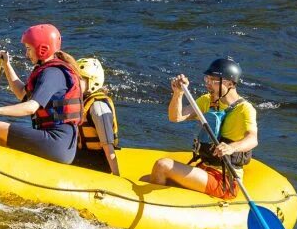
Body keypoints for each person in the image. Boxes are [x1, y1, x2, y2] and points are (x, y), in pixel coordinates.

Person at [147, 58, 258, 199]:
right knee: (149, 179)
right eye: (207, 79)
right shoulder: (207, 100)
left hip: (224, 179)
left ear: (230, 83)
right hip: (203, 167)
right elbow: (176, 117)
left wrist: (232, 147)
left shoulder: (244, 109)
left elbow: (252, 139)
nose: (208, 84)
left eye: (213, 81)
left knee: (162, 165)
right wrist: (178, 94)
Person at [0, 24, 83, 165]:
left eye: (29, 49)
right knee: (1, 136)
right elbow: (21, 94)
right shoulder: (48, 70)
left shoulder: (52, 74)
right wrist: (6, 65)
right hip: (58, 143)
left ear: (42, 49)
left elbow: (30, 107)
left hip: (57, 142)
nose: (26, 54)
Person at [70, 57, 122, 176]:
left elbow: (107, 145)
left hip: (99, 162)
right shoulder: (82, 100)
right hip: (84, 153)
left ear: (92, 82)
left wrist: (116, 175)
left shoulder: (98, 107)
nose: (74, 82)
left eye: (79, 79)